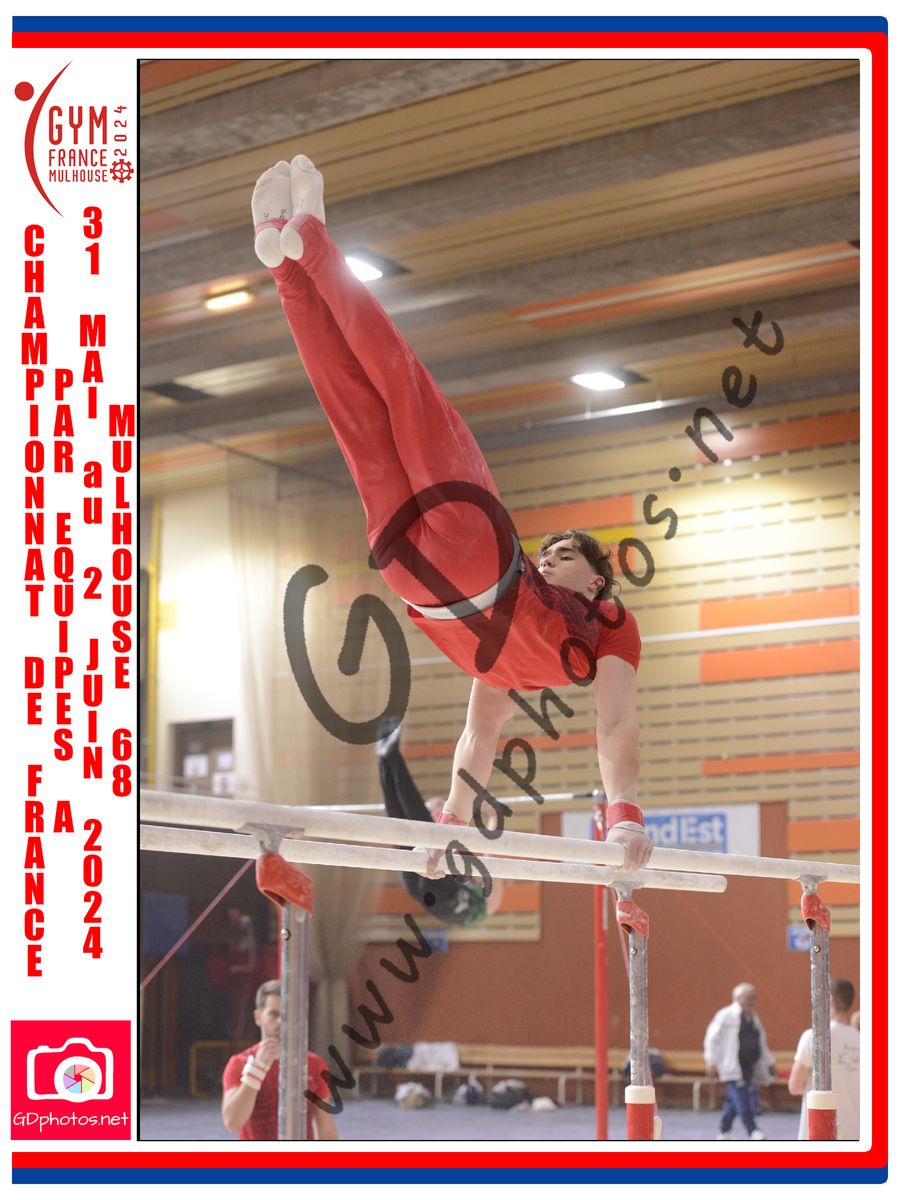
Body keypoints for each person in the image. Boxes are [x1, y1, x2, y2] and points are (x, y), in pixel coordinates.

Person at [252, 156, 652, 877]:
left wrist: (622, 815)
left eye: (567, 555)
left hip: (437, 567)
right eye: (550, 549)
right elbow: (479, 741)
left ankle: (307, 249)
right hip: (457, 569)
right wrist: (452, 823)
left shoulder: (608, 626)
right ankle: (288, 259)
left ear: (599, 584)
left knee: (376, 395)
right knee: (369, 395)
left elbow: (615, 721)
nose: (551, 555)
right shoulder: (515, 655)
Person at [376, 715, 505, 925]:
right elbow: (489, 855)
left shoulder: (486, 900)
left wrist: (495, 819)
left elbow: (491, 854)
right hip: (426, 892)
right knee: (402, 829)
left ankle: (389, 758)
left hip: (441, 893)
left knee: (417, 829)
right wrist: (493, 818)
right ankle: (386, 758)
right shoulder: (483, 896)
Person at [222, 980, 339, 1140]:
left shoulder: (314, 1064)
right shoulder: (239, 1063)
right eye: (274, 1014)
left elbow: (326, 1129)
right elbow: (232, 1122)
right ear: (258, 1017)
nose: (281, 1022)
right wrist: (257, 1069)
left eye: (287, 1015)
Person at [788, 977, 860, 1140]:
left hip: (820, 1129)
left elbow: (794, 1086)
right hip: (857, 1131)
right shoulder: (864, 1040)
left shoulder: (814, 1036)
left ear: (830, 999)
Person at [703, 983, 776, 1140]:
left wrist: (769, 1062)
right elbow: (711, 1039)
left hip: (749, 1066)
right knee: (743, 1098)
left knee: (733, 1099)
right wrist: (711, 1060)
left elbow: (761, 1042)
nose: (751, 1001)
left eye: (753, 998)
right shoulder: (725, 1016)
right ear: (737, 998)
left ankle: (725, 1130)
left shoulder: (754, 1018)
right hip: (732, 1066)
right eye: (748, 997)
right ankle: (753, 1130)